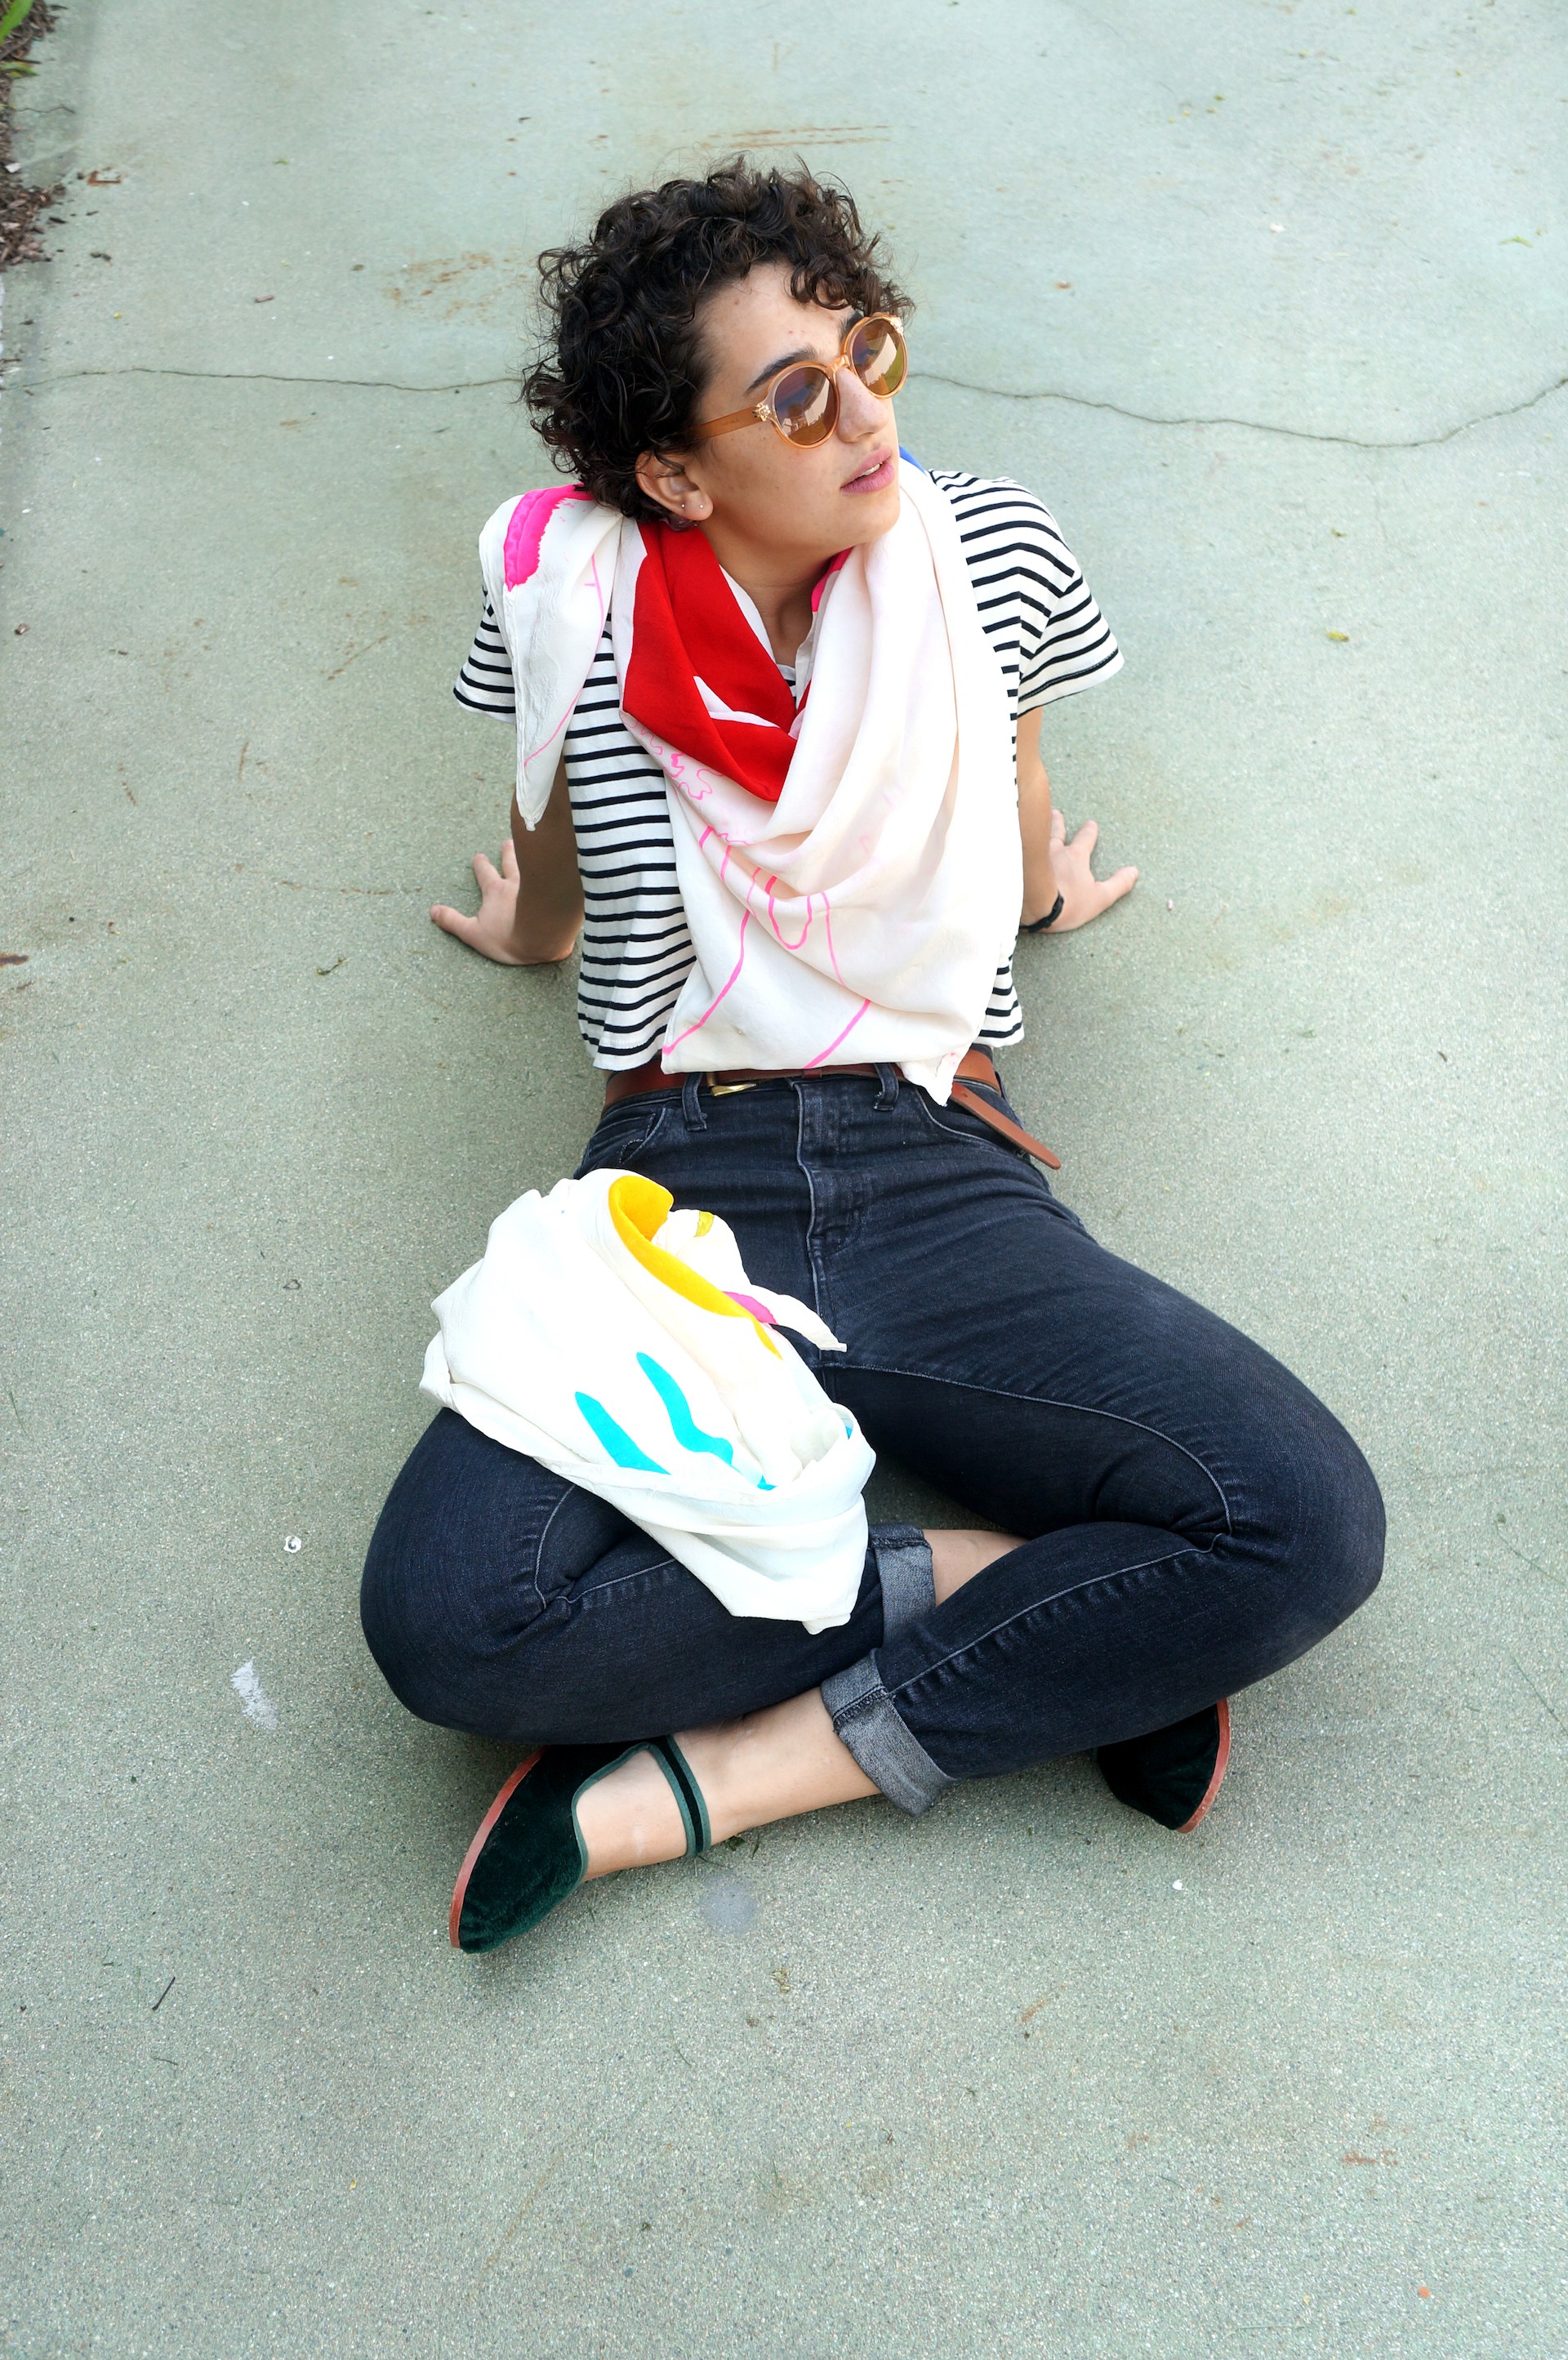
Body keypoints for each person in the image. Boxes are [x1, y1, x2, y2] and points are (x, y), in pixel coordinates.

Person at [360, 161, 1384, 1955]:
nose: (870, 414)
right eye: (798, 392)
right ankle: (1022, 1601)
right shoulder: (566, 595)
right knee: (451, 1628)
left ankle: (711, 1786)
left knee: (1300, 1524)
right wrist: (526, 926)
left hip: (939, 1158)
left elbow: (1009, 783)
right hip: (677, 1181)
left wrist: (1034, 898)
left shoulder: (982, 542)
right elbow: (546, 824)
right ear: (676, 472)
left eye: (867, 348)